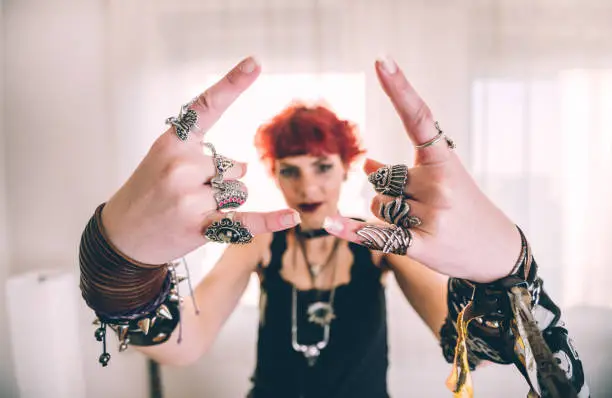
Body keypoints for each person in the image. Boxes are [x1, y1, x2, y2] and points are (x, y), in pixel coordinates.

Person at [79, 56, 589, 398]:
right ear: (274, 175)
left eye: (322, 166)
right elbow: (184, 345)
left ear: (345, 169)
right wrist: (122, 273)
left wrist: (500, 278)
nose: (308, 186)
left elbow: (468, 347)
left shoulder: (379, 248)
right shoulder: (257, 245)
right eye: (291, 169)